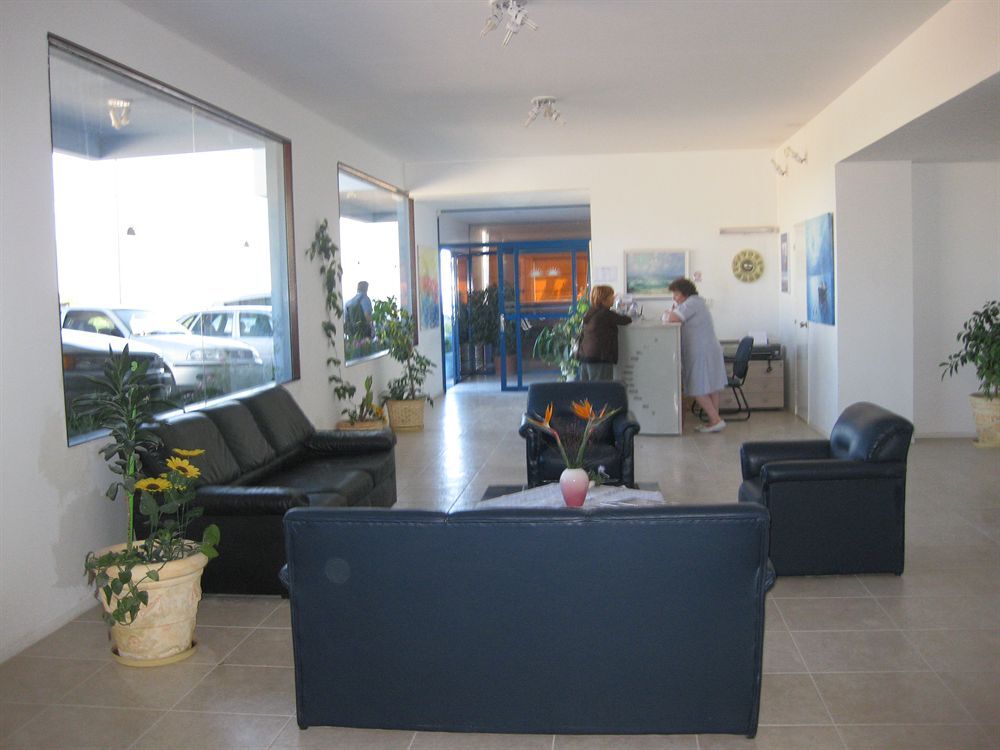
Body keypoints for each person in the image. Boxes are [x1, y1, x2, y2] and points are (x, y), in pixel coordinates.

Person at [666, 277, 728, 432]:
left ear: (685, 293)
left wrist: (669, 312)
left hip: (701, 351)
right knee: (711, 387)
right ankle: (714, 421)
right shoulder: (696, 302)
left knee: (696, 387)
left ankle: (715, 419)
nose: (674, 298)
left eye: (676, 294)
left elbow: (671, 319)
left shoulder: (692, 303)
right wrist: (673, 311)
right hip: (707, 349)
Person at [577, 285, 632, 381]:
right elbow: (626, 320)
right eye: (611, 296)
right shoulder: (605, 314)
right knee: (602, 387)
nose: (613, 298)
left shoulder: (590, 311)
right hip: (599, 357)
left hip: (585, 356)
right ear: (603, 300)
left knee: (587, 387)